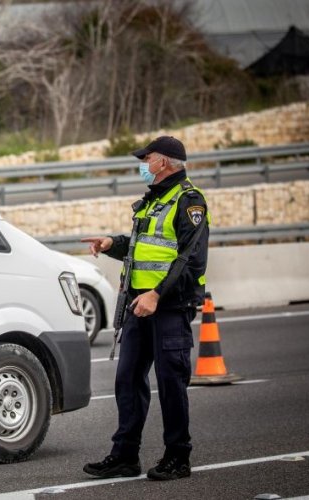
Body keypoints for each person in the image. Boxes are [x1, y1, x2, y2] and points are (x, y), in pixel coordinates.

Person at [81, 136, 210, 481]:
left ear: (164, 162)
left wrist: (157, 294)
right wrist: (111, 244)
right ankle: (124, 455)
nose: (143, 164)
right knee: (127, 380)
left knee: (170, 382)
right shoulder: (153, 202)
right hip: (139, 305)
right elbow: (142, 248)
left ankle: (177, 457)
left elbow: (189, 260)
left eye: (147, 158)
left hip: (167, 306)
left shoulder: (189, 202)